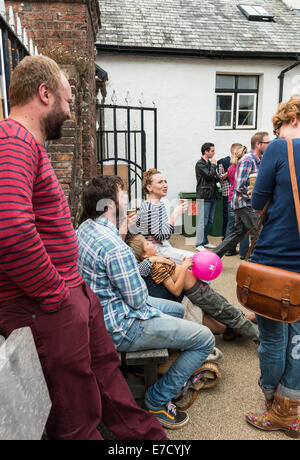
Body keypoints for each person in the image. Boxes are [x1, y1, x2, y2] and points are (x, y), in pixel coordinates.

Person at [0, 55, 168, 441]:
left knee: (106, 377)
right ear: (44, 94)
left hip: (71, 294)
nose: (71, 110)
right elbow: (9, 229)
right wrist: (57, 295)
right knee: (76, 416)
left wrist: (74, 293)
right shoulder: (13, 140)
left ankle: (148, 441)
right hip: (47, 305)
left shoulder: (28, 145)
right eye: (67, 98)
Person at [76, 175, 216, 430]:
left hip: (103, 312)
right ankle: (157, 399)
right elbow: (139, 300)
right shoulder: (116, 248)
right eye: (122, 195)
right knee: (205, 338)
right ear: (109, 205)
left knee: (175, 308)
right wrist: (148, 263)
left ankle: (147, 366)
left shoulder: (85, 228)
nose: (127, 199)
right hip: (121, 325)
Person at [245, 95, 300, 437]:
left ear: (284, 120)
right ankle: (290, 408)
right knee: (299, 336)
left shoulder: (280, 148)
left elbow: (256, 201)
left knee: (273, 337)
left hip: (276, 259)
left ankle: (272, 403)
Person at [126, 234, 259, 343]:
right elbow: (175, 290)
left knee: (224, 306)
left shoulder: (157, 261)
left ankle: (240, 326)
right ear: (144, 256)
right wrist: (183, 267)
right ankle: (261, 338)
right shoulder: (156, 267)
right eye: (147, 243)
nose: (151, 242)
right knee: (227, 312)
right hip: (198, 292)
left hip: (200, 287)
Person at [213, 132, 271, 258]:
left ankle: (213, 255)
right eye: (268, 142)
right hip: (245, 204)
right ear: (258, 144)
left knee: (239, 233)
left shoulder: (258, 160)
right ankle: (257, 262)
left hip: (244, 203)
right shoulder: (247, 160)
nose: (270, 145)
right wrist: (255, 197)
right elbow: (240, 186)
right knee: (260, 233)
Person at [132, 168, 196, 264]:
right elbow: (162, 235)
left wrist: (162, 233)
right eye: (160, 182)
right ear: (149, 187)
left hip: (163, 244)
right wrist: (175, 214)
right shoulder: (149, 207)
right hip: (155, 249)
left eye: (165, 181)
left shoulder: (159, 204)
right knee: (196, 259)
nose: (165, 185)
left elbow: (165, 234)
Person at [225, 144, 249, 259]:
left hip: (231, 199)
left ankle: (229, 250)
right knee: (243, 227)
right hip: (241, 200)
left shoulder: (230, 168)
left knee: (231, 227)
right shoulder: (241, 167)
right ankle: (244, 253)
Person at [217, 153, 231, 239]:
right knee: (227, 216)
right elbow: (220, 177)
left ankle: (228, 236)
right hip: (226, 193)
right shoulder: (224, 162)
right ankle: (225, 236)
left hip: (233, 194)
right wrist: (229, 172)